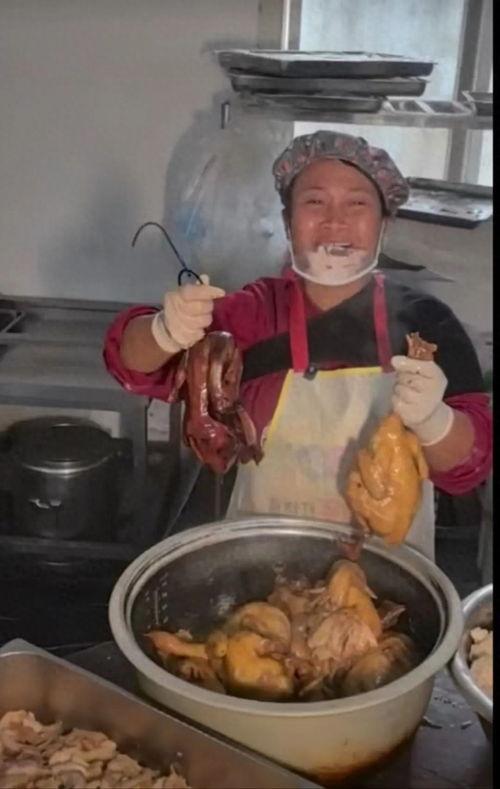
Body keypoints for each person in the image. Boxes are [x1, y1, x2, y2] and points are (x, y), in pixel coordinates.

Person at [104, 130, 492, 560]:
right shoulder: (251, 314)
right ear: (288, 223)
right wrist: (163, 331)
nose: (335, 220)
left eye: (357, 204)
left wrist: (436, 422)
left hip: (390, 573)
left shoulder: (426, 323)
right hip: (261, 564)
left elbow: (467, 467)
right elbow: (134, 365)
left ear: (385, 223)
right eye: (314, 202)